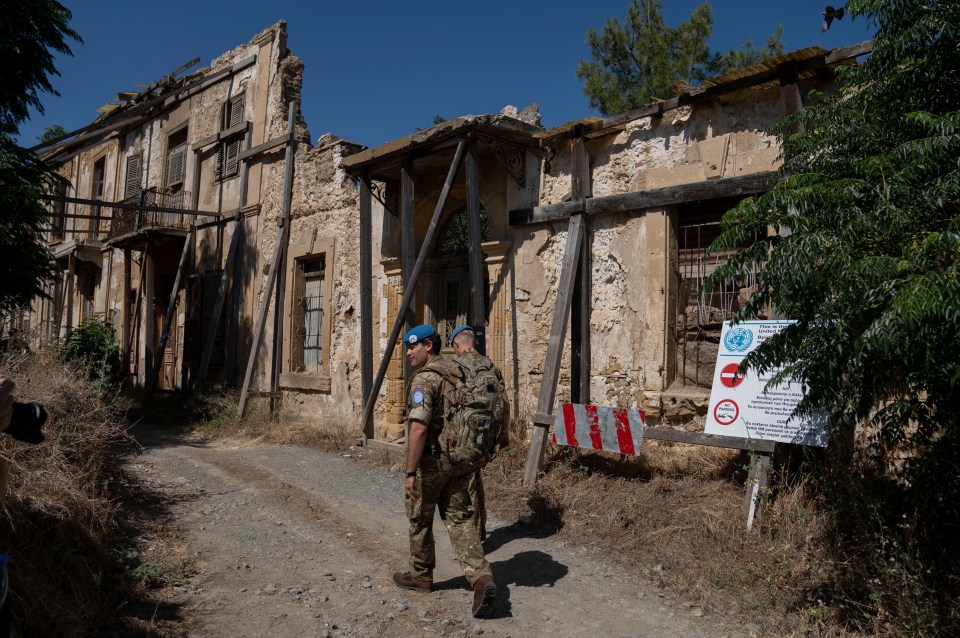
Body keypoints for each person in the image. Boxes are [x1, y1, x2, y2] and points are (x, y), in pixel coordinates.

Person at [392, 324, 498, 618]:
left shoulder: (426, 378)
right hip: (460, 458)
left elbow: (419, 427)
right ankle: (481, 578)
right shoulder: (457, 371)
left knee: (419, 515)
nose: (409, 353)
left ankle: (420, 575)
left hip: (433, 461)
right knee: (461, 519)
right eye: (407, 348)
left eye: (414, 347)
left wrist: (410, 472)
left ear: (430, 346)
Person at [448, 325, 511, 542]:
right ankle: (480, 530)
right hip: (488, 433)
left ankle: (472, 538)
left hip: (466, 436)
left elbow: (448, 405)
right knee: (475, 477)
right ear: (473, 342)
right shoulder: (491, 366)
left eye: (454, 348)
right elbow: (505, 402)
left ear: (457, 344)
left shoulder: (456, 367)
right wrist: (504, 434)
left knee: (465, 482)